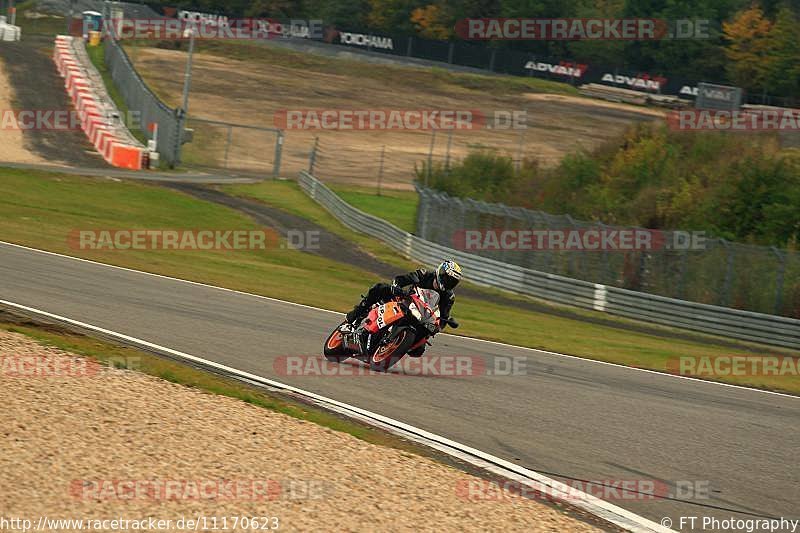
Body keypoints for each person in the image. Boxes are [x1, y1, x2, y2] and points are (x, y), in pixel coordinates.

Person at [345, 260, 462, 351]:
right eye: (447, 278)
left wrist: (437, 327)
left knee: (418, 350)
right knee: (379, 288)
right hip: (404, 300)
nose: (448, 283)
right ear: (440, 273)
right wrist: (397, 287)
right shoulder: (424, 274)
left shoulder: (449, 297)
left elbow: (444, 317)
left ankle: (393, 345)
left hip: (421, 316)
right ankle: (356, 316)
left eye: (452, 282)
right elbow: (402, 279)